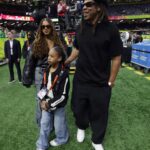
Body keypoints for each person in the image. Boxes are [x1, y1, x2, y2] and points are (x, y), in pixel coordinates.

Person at [65, 0, 123, 150]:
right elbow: (77, 49)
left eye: (89, 4)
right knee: (78, 108)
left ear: (98, 8)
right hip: (81, 80)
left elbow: (116, 57)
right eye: (84, 5)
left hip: (100, 82)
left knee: (100, 113)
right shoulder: (80, 27)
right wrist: (67, 61)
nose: (84, 8)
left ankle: (97, 140)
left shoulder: (111, 29)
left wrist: (111, 81)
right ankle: (82, 126)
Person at [22, 18, 64, 127]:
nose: (45, 28)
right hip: (40, 73)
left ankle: (51, 123)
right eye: (43, 27)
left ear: (51, 27)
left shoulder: (58, 41)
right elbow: (29, 61)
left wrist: (64, 69)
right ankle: (41, 124)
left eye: (48, 26)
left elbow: (64, 56)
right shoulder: (36, 42)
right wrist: (26, 78)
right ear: (40, 28)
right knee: (41, 97)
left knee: (54, 96)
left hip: (54, 72)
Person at [36, 46, 69, 150]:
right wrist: (42, 100)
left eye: (52, 56)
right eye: (48, 56)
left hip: (58, 105)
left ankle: (62, 138)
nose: (49, 58)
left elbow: (63, 96)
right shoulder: (46, 70)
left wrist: (48, 104)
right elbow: (43, 86)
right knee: (44, 124)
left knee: (59, 126)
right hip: (46, 102)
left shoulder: (64, 74)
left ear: (59, 58)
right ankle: (41, 145)